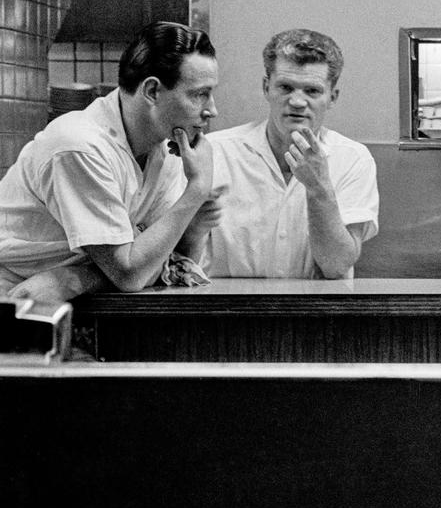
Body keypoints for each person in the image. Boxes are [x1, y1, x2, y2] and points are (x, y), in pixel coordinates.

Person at [0, 21, 221, 300]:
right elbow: (130, 273)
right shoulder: (79, 146)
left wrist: (76, 279)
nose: (212, 110)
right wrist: (197, 190)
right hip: (15, 309)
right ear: (152, 91)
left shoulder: (166, 150)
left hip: (66, 300)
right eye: (200, 94)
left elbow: (170, 266)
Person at [204, 28, 378, 278]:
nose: (297, 101)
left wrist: (319, 188)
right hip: (230, 311)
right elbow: (187, 255)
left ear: (332, 97)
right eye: (286, 87)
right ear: (266, 88)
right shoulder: (218, 151)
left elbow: (337, 265)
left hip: (318, 313)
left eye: (312, 91)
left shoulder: (352, 159)